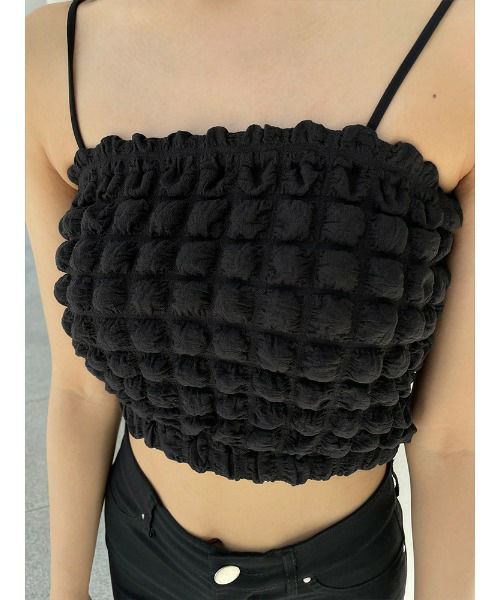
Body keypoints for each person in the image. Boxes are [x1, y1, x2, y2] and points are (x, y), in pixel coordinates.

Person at [26, 1, 474, 599]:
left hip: (336, 577)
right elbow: (80, 391)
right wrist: (65, 590)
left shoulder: (461, 44)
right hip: (143, 548)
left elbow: (454, 442)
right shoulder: (48, 55)